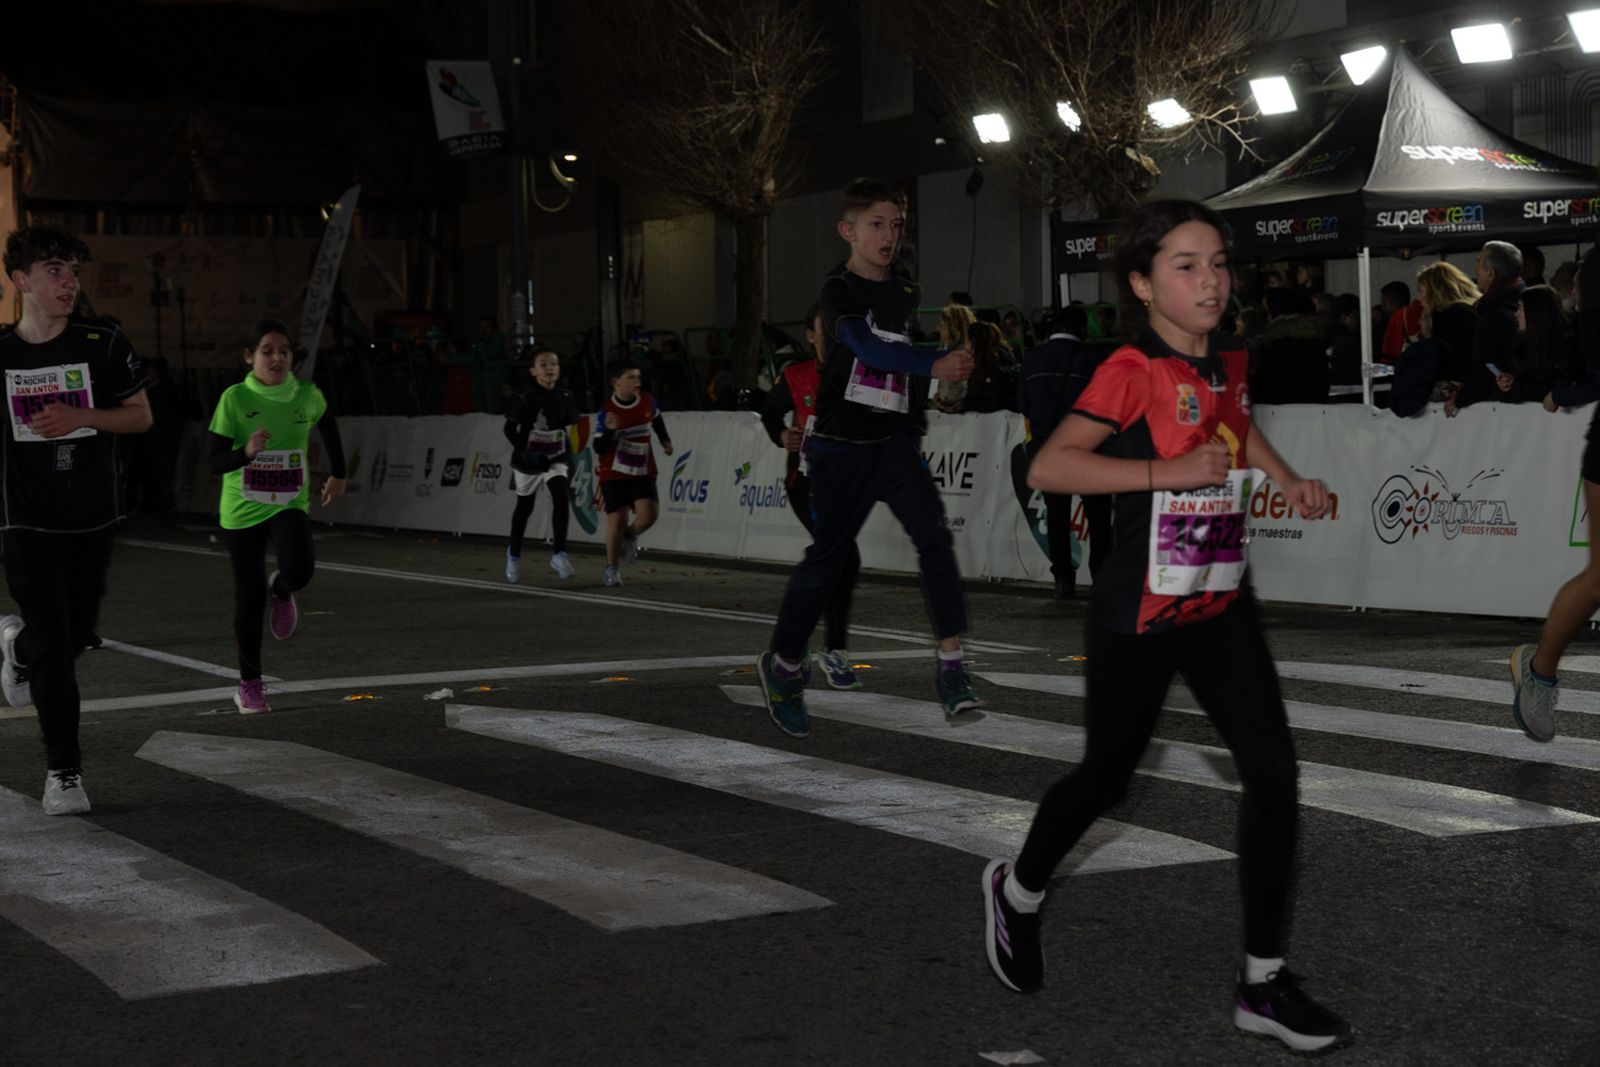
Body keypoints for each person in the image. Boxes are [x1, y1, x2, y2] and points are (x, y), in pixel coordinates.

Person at [980, 199, 1349, 1054]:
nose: (1211, 279)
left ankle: (1263, 980)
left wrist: (1288, 480)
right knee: (1106, 779)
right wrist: (1165, 470)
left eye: (1217, 261)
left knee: (1275, 774)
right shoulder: (1130, 367)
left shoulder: (1228, 357)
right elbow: (1050, 464)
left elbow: (1237, 428)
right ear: (1144, 284)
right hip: (1139, 611)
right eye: (1186, 265)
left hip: (1218, 598)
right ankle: (1019, 890)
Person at [756, 177, 976, 737]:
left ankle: (952, 666)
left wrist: (940, 380)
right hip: (840, 448)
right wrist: (933, 363)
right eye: (877, 224)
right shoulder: (838, 291)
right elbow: (867, 349)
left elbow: (897, 364)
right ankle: (782, 664)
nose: (889, 235)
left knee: (934, 536)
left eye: (897, 224)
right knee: (828, 560)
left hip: (894, 445)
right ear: (847, 231)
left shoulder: (904, 291)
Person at [0, 225, 152, 814]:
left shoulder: (102, 339)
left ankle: (18, 649)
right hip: (22, 521)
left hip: (90, 516)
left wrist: (79, 415)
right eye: (55, 272)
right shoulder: (2, 353)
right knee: (58, 649)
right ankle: (64, 772)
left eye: (74, 272)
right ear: (21, 281)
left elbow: (140, 417)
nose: (69, 283)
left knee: (76, 633)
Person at [207, 320, 346, 715]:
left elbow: (329, 426)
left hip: (288, 502)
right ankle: (250, 685)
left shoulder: (306, 394)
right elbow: (214, 461)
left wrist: (339, 473)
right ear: (250, 357)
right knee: (247, 598)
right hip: (243, 509)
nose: (277, 357)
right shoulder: (234, 399)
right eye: (267, 350)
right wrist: (246, 453)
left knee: (301, 569)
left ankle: (283, 590)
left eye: (284, 351)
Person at [759, 302, 861, 689]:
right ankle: (834, 651)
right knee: (844, 556)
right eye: (827, 331)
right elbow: (770, 412)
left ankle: (794, 643)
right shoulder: (796, 375)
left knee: (834, 562)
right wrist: (781, 434)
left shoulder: (857, 374)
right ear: (811, 336)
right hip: (805, 484)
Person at [1017, 305, 1110, 597]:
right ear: (1082, 329)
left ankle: (1063, 580)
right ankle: (1102, 578)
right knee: (1098, 517)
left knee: (1057, 514)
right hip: (1088, 449)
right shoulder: (1094, 360)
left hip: (1048, 448)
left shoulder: (1032, 359)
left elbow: (1023, 404)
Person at [592, 357, 671, 587]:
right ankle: (612, 569)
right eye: (631, 378)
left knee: (649, 515)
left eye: (639, 377)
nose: (637, 382)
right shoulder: (607, 411)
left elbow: (656, 420)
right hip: (614, 472)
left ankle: (629, 536)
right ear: (616, 383)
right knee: (617, 519)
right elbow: (598, 448)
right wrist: (609, 432)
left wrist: (665, 440)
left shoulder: (647, 401)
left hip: (642, 468)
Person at [503, 347, 580, 582]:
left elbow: (564, 423)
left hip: (556, 457)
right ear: (533, 370)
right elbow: (509, 429)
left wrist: (571, 417)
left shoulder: (565, 395)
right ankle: (514, 555)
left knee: (560, 496)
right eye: (544, 365)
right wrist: (525, 451)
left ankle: (559, 553)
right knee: (524, 508)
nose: (550, 369)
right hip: (529, 460)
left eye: (554, 364)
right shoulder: (526, 398)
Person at [1446, 241, 1526, 416]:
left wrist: (1460, 399)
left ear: (1491, 273)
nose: (1475, 270)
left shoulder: (1494, 316)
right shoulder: (1528, 302)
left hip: (1500, 408)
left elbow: (1484, 367)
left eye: (1478, 263)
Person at [1493, 285, 1573, 404]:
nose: (1516, 314)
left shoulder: (1566, 346)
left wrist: (1517, 387)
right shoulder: (1522, 347)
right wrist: (1507, 384)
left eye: (1520, 308)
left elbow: (1555, 385)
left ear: (1534, 312)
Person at [956, 321, 1017, 414]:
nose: (964, 346)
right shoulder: (981, 365)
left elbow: (992, 403)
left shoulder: (995, 368)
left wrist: (963, 404)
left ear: (972, 342)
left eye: (966, 340)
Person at [932, 302, 978, 413]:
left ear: (953, 327)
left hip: (965, 416)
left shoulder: (968, 355)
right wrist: (935, 400)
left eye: (941, 325)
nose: (937, 329)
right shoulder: (939, 352)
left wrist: (961, 404)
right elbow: (934, 389)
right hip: (941, 415)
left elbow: (969, 390)